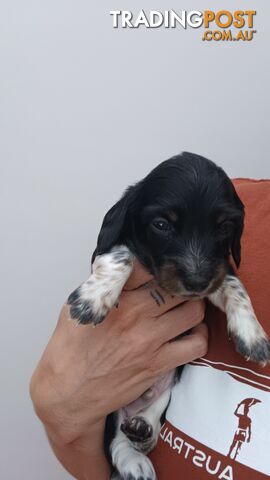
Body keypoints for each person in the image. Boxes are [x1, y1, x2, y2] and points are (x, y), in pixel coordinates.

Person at [30, 179, 270, 480]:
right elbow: (70, 427)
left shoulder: (223, 210)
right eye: (163, 225)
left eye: (221, 230)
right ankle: (123, 446)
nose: (194, 272)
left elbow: (224, 280)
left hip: (158, 397)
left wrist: (244, 322)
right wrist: (56, 404)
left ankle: (141, 430)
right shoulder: (217, 196)